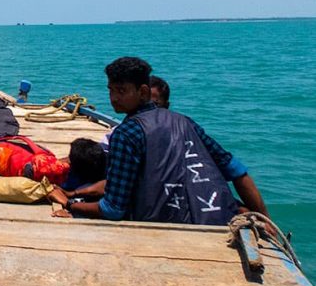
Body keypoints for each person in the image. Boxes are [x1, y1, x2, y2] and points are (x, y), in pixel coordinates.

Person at [54, 56, 270, 225]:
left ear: (143, 91)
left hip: (165, 230)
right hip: (218, 219)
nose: (114, 98)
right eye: (111, 90)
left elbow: (113, 209)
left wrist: (72, 205)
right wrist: (263, 219)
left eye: (122, 91)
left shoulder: (125, 134)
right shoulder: (184, 122)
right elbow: (237, 171)